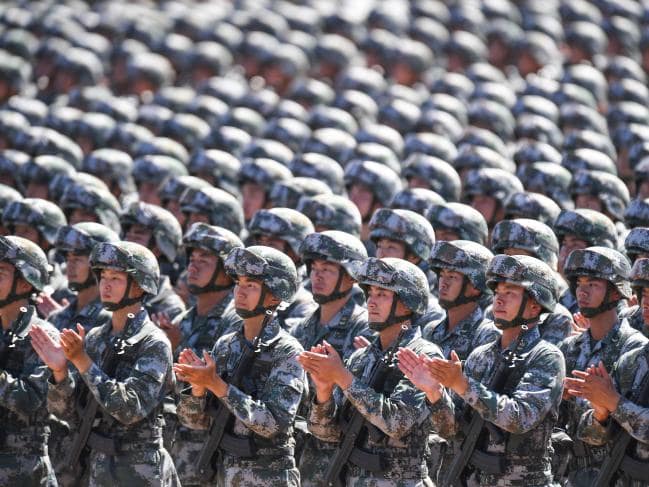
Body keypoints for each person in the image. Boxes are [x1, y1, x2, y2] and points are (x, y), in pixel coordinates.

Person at [406, 254, 565, 486]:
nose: (499, 301)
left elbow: (520, 418)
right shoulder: (482, 355)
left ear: (534, 305)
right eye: (497, 293)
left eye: (510, 293)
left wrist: (462, 384)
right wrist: (434, 394)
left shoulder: (546, 357)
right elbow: (451, 430)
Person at [30, 240, 180, 486]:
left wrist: (83, 362)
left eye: (116, 279)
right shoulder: (96, 338)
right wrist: (59, 373)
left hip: (140, 470)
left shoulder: (154, 343)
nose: (106, 285)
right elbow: (66, 411)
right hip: (99, 467)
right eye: (103, 277)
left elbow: (130, 409)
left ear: (138, 286)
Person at [301, 257, 454, 485]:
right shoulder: (362, 358)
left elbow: (397, 424)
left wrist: (343, 377)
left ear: (407, 302)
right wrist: (323, 392)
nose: (371, 302)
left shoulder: (423, 356)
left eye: (382, 294)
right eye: (370, 293)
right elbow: (327, 433)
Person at [174, 245, 306, 486]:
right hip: (225, 474)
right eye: (239, 283)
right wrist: (198, 389)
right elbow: (194, 422)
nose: (240, 292)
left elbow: (273, 424)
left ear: (275, 295)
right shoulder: (226, 345)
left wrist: (217, 385)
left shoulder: (287, 351)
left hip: (270, 478)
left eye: (251, 285)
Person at [560, 247, 648, 486]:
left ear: (615, 291)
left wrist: (605, 407)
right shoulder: (570, 348)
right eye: (580, 283)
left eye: (593, 284)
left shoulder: (633, 348)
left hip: (617, 473)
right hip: (574, 472)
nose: (582, 291)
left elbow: (621, 427)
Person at [165, 223, 243, 485]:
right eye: (192, 259)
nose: (193, 267)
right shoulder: (183, 319)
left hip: (212, 457)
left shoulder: (236, 322)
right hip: (180, 451)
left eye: (205, 260)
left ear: (226, 270)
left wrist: (177, 345)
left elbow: (220, 388)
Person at [0, 235, 58, 486]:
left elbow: (29, 400)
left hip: (25, 471)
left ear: (25, 284)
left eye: (0, 272)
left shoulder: (42, 336)